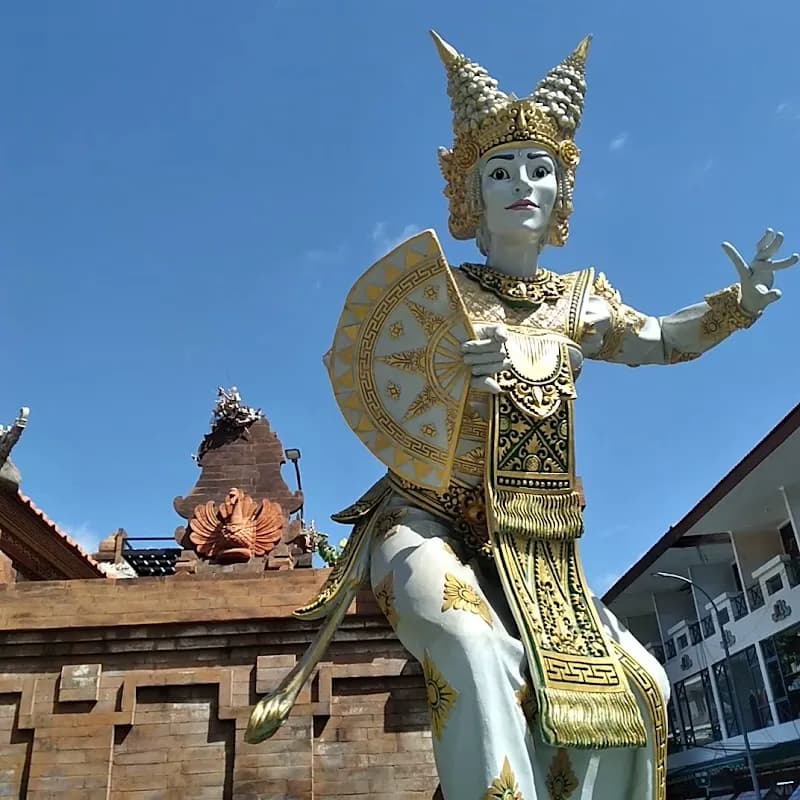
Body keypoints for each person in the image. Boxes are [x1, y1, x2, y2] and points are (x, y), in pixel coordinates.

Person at [247, 31, 797, 799]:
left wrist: (738, 304)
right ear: (471, 193)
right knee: (473, 646)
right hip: (424, 519)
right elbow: (381, 377)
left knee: (644, 684)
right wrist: (462, 383)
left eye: (539, 169)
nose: (522, 184)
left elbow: (664, 339)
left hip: (537, 546)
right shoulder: (440, 296)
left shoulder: (580, 302)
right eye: (500, 171)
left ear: (561, 189)